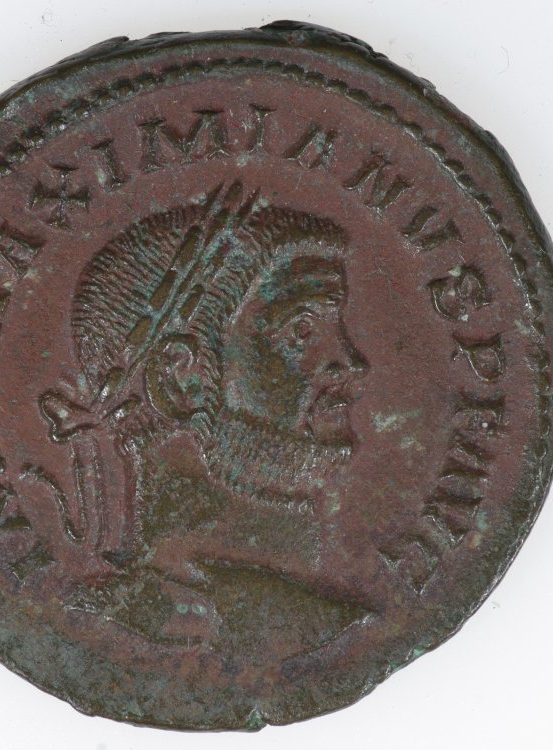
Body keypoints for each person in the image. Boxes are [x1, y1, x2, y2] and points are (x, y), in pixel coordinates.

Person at [38, 182, 371, 657]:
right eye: (302, 330)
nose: (352, 362)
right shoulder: (287, 630)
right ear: (181, 380)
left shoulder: (292, 621)